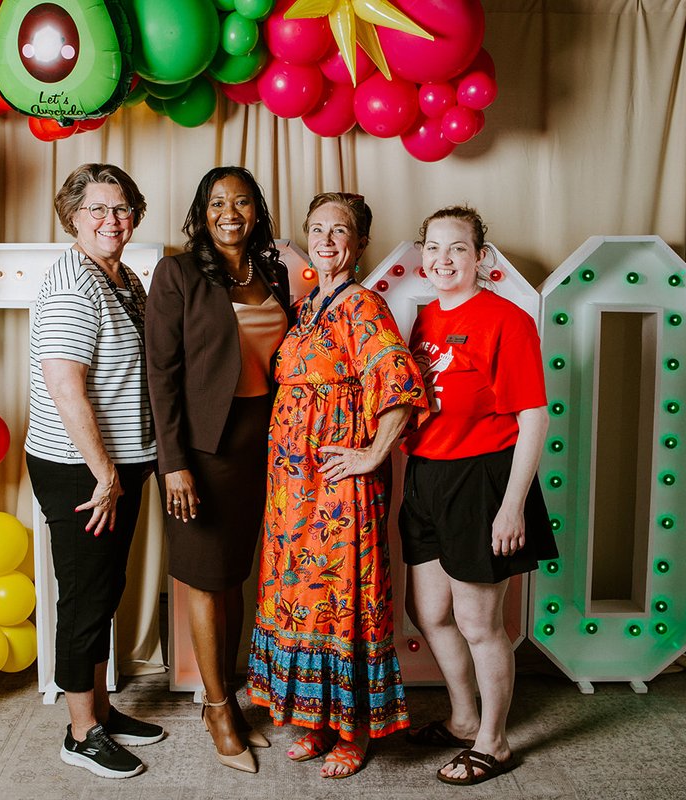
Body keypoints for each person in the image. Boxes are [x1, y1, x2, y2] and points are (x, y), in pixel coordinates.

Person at [247, 192, 427, 779]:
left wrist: (371, 456)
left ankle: (353, 731)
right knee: (300, 599)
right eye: (317, 229)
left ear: (359, 241)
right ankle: (315, 721)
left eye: (339, 230)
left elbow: (399, 384)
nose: (326, 240)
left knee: (343, 602)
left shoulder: (363, 307)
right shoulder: (305, 308)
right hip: (290, 489)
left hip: (337, 488)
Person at [399, 206, 558, 786]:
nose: (443, 260)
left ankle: (494, 741)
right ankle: (463, 718)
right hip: (425, 476)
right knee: (429, 611)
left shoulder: (507, 320)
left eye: (458, 248)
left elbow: (534, 417)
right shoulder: (424, 321)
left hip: (482, 477)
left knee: (478, 622)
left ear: (481, 258)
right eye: (434, 248)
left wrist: (512, 504)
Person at [145, 166, 293, 773]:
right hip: (203, 451)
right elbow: (162, 375)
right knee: (207, 579)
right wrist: (174, 463)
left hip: (266, 445)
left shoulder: (276, 272)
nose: (229, 212)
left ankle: (226, 695)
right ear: (202, 212)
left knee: (236, 577)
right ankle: (216, 707)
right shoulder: (178, 273)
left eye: (241, 201)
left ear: (257, 210)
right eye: (216, 202)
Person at [24, 163, 164, 780]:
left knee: (104, 590)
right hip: (81, 467)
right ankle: (81, 734)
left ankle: (100, 712)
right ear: (72, 217)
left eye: (123, 208)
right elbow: (64, 387)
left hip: (116, 464)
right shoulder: (73, 288)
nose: (113, 220)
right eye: (98, 210)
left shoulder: (121, 277)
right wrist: (104, 473)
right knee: (85, 597)